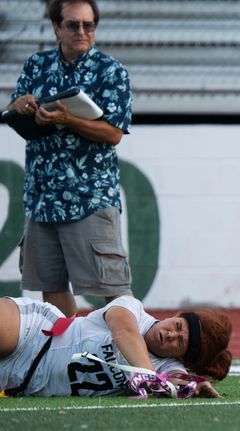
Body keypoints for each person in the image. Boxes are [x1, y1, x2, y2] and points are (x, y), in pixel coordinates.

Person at [5, 0, 133, 317]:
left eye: (88, 25)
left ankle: (143, 362)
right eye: (73, 25)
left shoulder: (111, 71)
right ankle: (69, 359)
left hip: (89, 196)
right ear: (56, 28)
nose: (81, 32)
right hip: (42, 197)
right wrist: (20, 106)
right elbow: (14, 112)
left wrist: (69, 119)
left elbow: (114, 133)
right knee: (53, 293)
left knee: (114, 292)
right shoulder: (36, 66)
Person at [0, 295, 232, 397]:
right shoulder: (132, 309)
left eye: (179, 342)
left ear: (181, 357)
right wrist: (151, 377)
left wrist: (191, 387)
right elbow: (125, 332)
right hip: (34, 332)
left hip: (23, 383)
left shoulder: (166, 367)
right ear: (176, 315)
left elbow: (177, 381)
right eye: (178, 325)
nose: (171, 333)